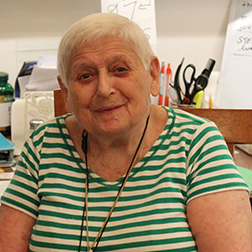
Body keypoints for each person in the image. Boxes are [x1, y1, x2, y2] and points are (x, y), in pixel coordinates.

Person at [0, 13, 252, 252]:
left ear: (153, 75)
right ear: (65, 92)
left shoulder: (197, 143)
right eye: (85, 75)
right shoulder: (44, 145)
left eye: (120, 69)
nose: (104, 88)